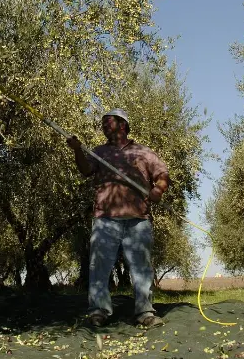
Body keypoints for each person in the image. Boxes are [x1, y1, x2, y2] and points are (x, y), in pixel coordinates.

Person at [66, 108, 170, 328]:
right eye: (102, 123)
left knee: (141, 268)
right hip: (105, 218)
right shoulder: (98, 152)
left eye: (108, 121)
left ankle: (145, 312)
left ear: (122, 124)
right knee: (99, 266)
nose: (103, 125)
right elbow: (85, 170)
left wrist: (158, 190)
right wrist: (77, 151)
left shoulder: (143, 152)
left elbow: (162, 175)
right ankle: (98, 311)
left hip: (138, 219)